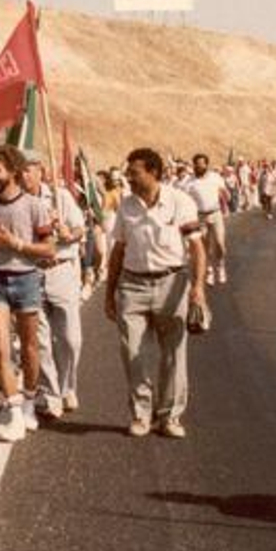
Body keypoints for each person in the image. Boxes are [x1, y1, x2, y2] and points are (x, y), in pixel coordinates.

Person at [103, 147, 206, 437]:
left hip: (171, 283)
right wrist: (109, 294)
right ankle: (141, 414)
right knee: (131, 352)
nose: (128, 178)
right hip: (132, 286)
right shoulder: (126, 206)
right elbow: (118, 251)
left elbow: (197, 247)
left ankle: (170, 417)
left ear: (154, 172)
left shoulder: (180, 202)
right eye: (128, 173)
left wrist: (197, 288)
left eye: (134, 173)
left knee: (173, 354)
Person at [0, 144, 56, 442]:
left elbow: (49, 249)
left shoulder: (35, 206)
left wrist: (15, 244)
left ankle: (30, 400)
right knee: (1, 349)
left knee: (30, 348)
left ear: (13, 172)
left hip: (28, 280)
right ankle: (15, 413)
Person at [20, 153, 85, 418]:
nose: (23, 175)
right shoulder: (16, 203)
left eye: (27, 169)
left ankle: (68, 385)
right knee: (41, 340)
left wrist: (70, 233)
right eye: (19, 170)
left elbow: (81, 229)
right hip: (32, 273)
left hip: (61, 271)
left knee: (71, 339)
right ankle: (51, 394)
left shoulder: (60, 196)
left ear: (39, 171)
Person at [181, 153, 229, 286]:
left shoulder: (215, 177)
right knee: (205, 246)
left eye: (202, 163)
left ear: (206, 165)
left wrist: (226, 202)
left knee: (220, 243)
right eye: (196, 164)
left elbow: (223, 191)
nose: (199, 166)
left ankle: (220, 266)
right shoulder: (189, 182)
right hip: (200, 216)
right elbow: (183, 199)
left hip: (216, 214)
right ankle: (210, 272)